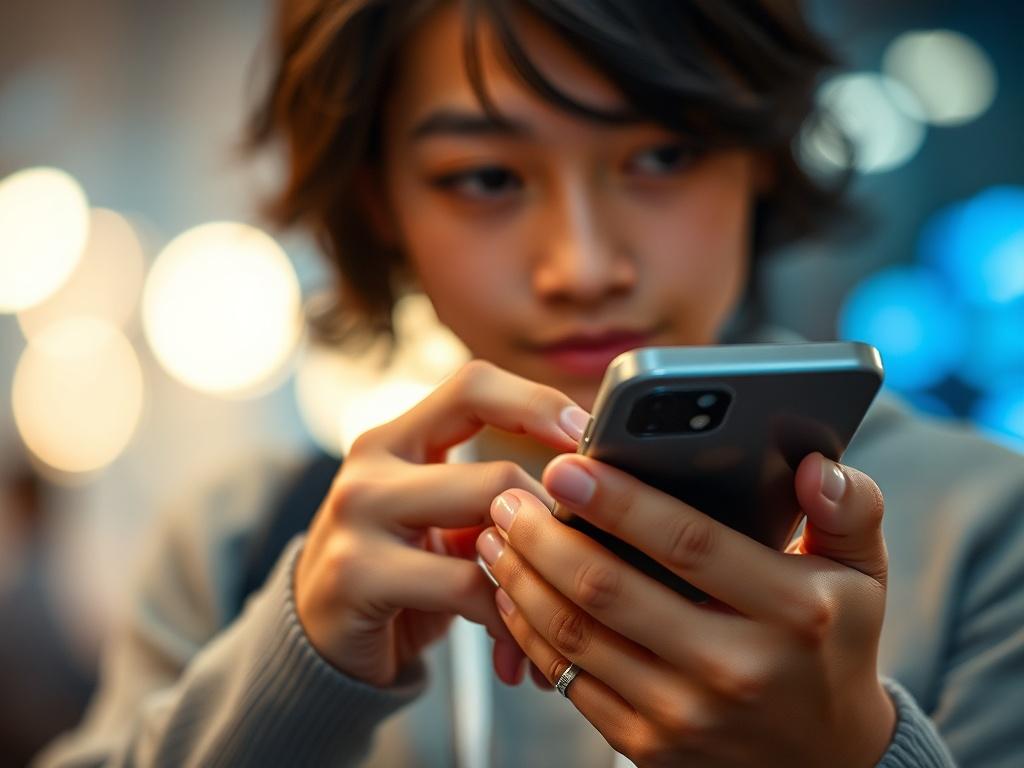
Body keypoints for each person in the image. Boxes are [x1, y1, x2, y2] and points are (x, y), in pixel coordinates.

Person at [35, 1, 1024, 766]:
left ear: (760, 156)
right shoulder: (241, 545)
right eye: (486, 178)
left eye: (662, 155)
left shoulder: (985, 530)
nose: (583, 264)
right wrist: (298, 669)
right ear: (380, 201)